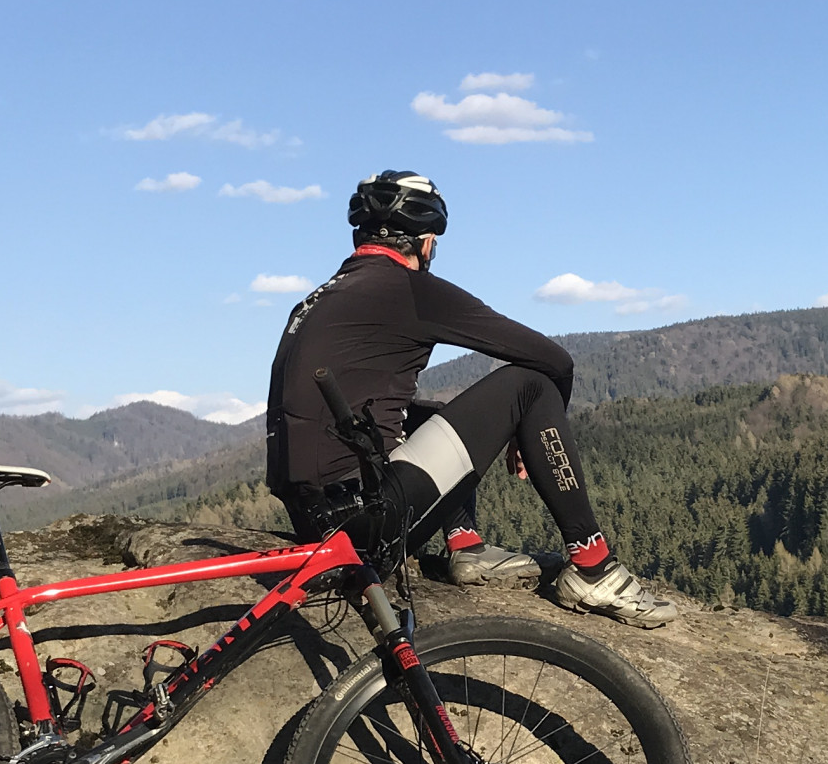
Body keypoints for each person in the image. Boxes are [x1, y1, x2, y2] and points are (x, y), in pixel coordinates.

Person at [265, 170, 675, 626]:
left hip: (316, 523)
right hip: (367, 526)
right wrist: (535, 425)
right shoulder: (410, 290)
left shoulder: (319, 298)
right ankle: (593, 567)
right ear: (425, 243)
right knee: (531, 385)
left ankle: (465, 545)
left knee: (430, 417)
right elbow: (554, 361)